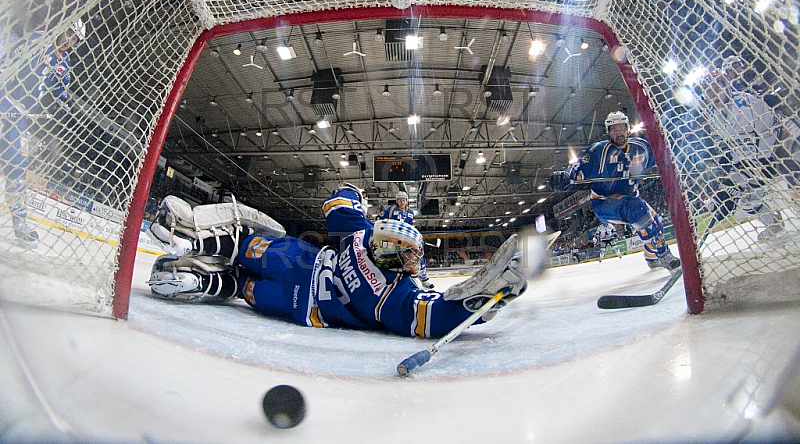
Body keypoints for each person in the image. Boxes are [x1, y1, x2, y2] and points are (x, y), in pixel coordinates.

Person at [146, 185, 544, 339]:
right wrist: (480, 302)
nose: (412, 258)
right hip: (297, 307)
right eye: (406, 252)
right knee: (243, 288)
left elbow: (336, 202)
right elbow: (433, 319)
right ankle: (204, 283)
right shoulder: (395, 293)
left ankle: (187, 238)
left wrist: (358, 202)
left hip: (297, 261)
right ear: (391, 251)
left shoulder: (360, 234)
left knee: (247, 243)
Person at [550, 111, 680, 272]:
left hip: (631, 200)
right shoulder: (598, 151)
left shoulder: (641, 147)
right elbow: (577, 167)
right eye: (614, 129)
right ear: (608, 132)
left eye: (622, 128)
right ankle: (664, 255)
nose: (619, 133)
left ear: (627, 129)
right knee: (637, 208)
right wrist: (565, 176)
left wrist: (674, 160)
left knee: (655, 223)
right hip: (604, 204)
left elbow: (661, 159)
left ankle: (652, 257)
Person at [0, 20, 85, 242]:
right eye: (69, 34)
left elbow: (59, 88)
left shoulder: (64, 63)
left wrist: (64, 102)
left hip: (19, 117)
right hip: (3, 101)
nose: (69, 42)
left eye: (74, 39)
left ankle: (20, 222)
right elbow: (9, 57)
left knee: (18, 168)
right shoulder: (39, 40)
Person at [696, 64, 798, 242]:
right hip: (757, 157)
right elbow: (726, 150)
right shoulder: (714, 117)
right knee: (747, 200)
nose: (713, 95)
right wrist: (729, 184)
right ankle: (773, 224)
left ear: (727, 86)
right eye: (709, 92)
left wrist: (739, 179)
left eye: (716, 88)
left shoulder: (743, 104)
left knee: (794, 173)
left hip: (783, 143)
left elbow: (762, 143)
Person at [380, 189, 433, 289]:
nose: (402, 202)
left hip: (405, 239)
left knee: (417, 255)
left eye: (404, 200)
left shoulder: (410, 212)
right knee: (389, 258)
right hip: (392, 238)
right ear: (396, 201)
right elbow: (383, 221)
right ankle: (391, 279)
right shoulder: (390, 209)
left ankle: (424, 279)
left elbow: (410, 227)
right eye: (399, 200)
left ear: (406, 201)